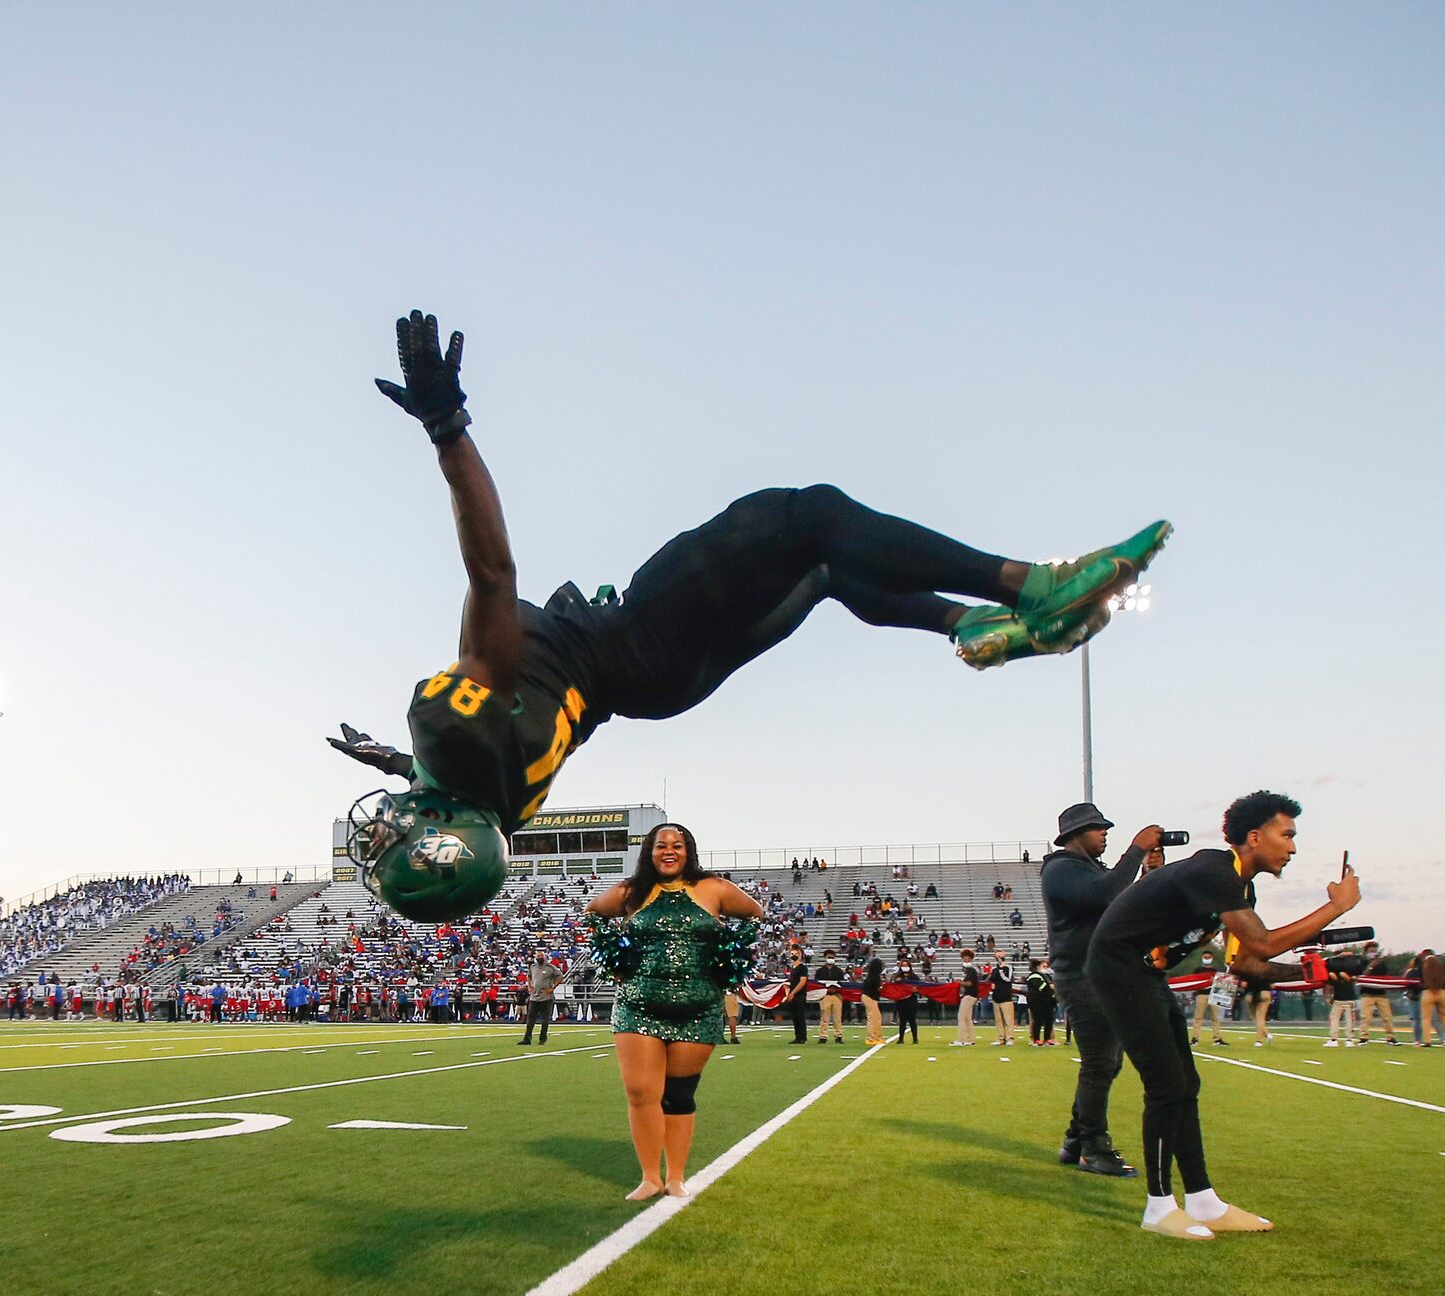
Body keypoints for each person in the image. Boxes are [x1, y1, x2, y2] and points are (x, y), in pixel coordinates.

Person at [329, 311, 1169, 921]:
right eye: (396, 841)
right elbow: (491, 571)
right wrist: (447, 427)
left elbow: (461, 775)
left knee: (832, 569)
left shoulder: (492, 807)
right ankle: (1025, 588)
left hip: (659, 688)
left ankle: (963, 628)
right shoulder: (452, 727)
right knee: (807, 516)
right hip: (634, 641)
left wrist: (400, 764)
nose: (382, 833)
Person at [1086, 791, 1360, 1237]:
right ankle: (1158, 1208)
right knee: (1166, 1086)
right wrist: (1336, 908)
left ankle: (1203, 1201)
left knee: (1185, 1084)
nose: (1293, 847)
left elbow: (1246, 966)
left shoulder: (1237, 886)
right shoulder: (1214, 870)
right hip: (1116, 966)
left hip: (1143, 971)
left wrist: (1317, 972)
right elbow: (1264, 944)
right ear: (1254, 837)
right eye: (1286, 834)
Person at [587, 823, 762, 1200]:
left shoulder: (713, 889)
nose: (669, 851)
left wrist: (729, 960)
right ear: (649, 851)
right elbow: (593, 914)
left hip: (699, 1008)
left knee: (679, 1096)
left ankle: (676, 1176)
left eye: (677, 845)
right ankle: (650, 1177)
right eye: (660, 845)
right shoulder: (631, 892)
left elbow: (754, 914)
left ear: (689, 851)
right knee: (640, 1092)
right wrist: (614, 958)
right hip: (638, 1006)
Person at [1039, 802, 1161, 1176]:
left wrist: (1146, 878)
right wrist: (1136, 849)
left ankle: (1077, 1140)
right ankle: (1093, 1146)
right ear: (1076, 834)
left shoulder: (1088, 870)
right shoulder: (1060, 869)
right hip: (1081, 975)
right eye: (1098, 828)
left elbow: (1120, 906)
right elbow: (1105, 895)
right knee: (1099, 1063)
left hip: (1098, 974)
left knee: (1107, 1061)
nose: (1105, 833)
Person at [1356, 940, 1400, 1045]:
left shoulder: (1382, 963)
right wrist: (1371, 966)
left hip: (1381, 993)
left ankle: (1391, 1038)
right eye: (1371, 951)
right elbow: (1362, 976)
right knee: (1366, 1017)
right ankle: (1363, 1037)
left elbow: (1385, 977)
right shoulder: (1362, 962)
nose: (1373, 952)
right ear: (1366, 951)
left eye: (1375, 950)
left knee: (1387, 1017)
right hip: (1367, 993)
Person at [1415, 947, 1445, 1047]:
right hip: (1441, 991)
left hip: (1428, 991)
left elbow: (1420, 978)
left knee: (1426, 1018)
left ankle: (1427, 1041)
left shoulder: (1423, 964)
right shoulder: (1440, 963)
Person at [522, 953, 560, 1045]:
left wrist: (553, 987)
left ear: (544, 957)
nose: (539, 958)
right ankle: (527, 1038)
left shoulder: (550, 967)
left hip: (546, 997)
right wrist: (529, 986)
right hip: (534, 997)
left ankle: (542, 1039)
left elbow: (560, 976)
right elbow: (529, 976)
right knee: (530, 1019)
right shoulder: (533, 967)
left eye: (541, 956)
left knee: (545, 1020)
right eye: (538, 956)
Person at [989, 955, 1020, 1046]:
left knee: (1008, 1020)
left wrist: (1001, 971)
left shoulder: (1008, 968)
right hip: (996, 997)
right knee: (998, 1020)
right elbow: (992, 981)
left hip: (1006, 998)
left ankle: (1010, 1038)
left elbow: (1008, 979)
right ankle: (1001, 1038)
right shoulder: (994, 970)